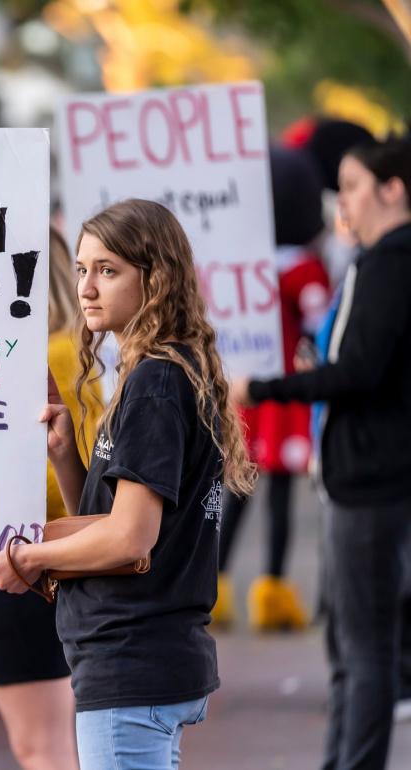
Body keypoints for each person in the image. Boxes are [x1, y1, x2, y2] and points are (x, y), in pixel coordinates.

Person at [0, 199, 255, 770]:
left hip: (134, 659)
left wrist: (30, 558)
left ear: (156, 279)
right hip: (141, 659)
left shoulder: (156, 379)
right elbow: (110, 518)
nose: (87, 287)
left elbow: (130, 539)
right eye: (81, 269)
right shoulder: (158, 371)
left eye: (109, 270)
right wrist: (63, 455)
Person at [232, 136, 411, 770]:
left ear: (393, 190)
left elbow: (356, 372)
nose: (344, 201)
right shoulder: (375, 260)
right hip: (355, 476)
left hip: (370, 480)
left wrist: (262, 386)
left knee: (363, 652)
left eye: (355, 185)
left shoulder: (390, 261)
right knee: (348, 648)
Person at [0, 228, 101, 770]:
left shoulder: (30, 358)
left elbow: (57, 471)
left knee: (42, 748)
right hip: (75, 562)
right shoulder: (89, 352)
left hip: (26, 561)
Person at [214, 147, 331, 631]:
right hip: (282, 397)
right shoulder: (304, 269)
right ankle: (273, 589)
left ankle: (215, 585)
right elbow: (319, 326)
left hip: (245, 396)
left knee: (237, 492)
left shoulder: (243, 266)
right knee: (278, 495)